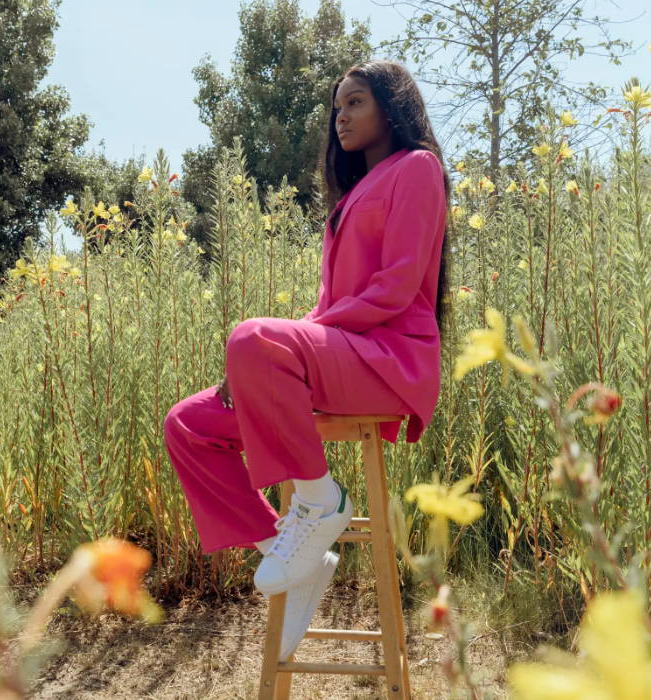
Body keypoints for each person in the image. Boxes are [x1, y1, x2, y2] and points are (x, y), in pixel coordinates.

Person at [163, 59, 451, 662]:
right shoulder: (350, 196)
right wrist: (260, 364)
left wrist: (274, 344)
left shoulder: (418, 169)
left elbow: (396, 289)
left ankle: (322, 500)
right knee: (188, 423)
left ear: (391, 108)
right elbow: (330, 307)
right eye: (336, 108)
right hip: (342, 356)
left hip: (387, 361)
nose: (340, 118)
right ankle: (287, 553)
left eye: (355, 104)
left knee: (252, 338)